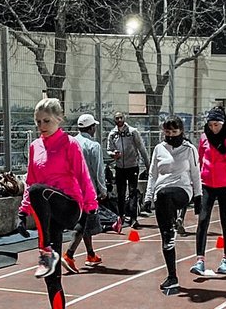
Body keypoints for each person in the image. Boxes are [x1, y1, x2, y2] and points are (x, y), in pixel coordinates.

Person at [17, 99, 98, 309]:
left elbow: (83, 176)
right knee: (52, 277)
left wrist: (91, 207)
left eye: (46, 121)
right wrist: (22, 212)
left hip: (69, 206)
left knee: (38, 191)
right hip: (48, 213)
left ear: (59, 120)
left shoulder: (70, 144)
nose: (41, 126)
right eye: (37, 122)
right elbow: (31, 179)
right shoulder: (35, 146)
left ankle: (44, 249)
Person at [141, 115, 202, 291]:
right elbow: (152, 174)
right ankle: (172, 276)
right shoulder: (159, 149)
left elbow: (196, 174)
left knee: (166, 196)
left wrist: (198, 197)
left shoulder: (189, 149)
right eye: (167, 132)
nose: (171, 134)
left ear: (181, 131)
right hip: (161, 194)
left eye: (174, 131)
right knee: (165, 238)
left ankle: (172, 227)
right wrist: (147, 197)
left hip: (182, 190)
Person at [190, 107, 226, 276]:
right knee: (202, 220)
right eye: (211, 125)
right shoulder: (204, 138)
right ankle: (200, 260)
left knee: (225, 221)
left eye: (216, 125)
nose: (213, 128)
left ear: (223, 124)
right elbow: (200, 159)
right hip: (207, 183)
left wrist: (225, 151)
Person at [62, 113, 109, 273]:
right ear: (91, 128)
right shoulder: (93, 146)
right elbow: (98, 171)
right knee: (82, 222)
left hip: (69, 188)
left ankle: (90, 254)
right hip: (86, 189)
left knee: (85, 221)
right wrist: (103, 190)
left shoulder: (69, 142)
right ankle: (69, 254)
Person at [107, 111, 150, 229]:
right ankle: (121, 216)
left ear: (124, 118)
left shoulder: (132, 132)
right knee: (120, 193)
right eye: (117, 118)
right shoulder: (112, 134)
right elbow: (109, 149)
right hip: (120, 167)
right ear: (114, 120)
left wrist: (148, 165)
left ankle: (133, 218)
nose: (119, 120)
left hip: (132, 166)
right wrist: (113, 154)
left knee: (132, 192)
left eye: (121, 117)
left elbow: (141, 148)